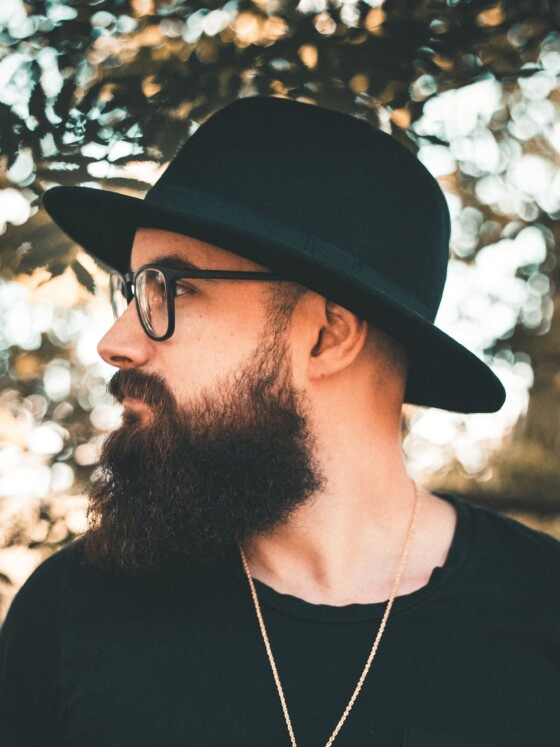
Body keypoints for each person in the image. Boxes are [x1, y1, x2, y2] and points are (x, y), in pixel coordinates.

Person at [0, 96, 559, 747]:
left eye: (173, 288)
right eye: (134, 290)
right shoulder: (71, 614)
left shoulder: (543, 608)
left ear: (326, 336)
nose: (114, 342)